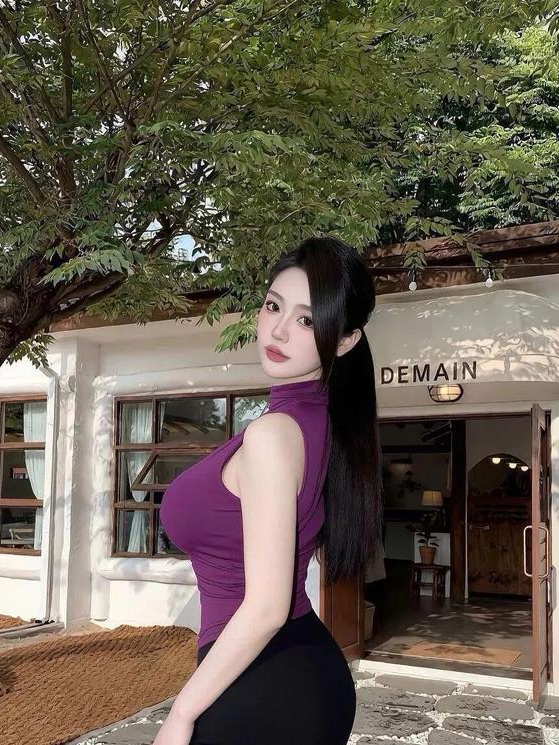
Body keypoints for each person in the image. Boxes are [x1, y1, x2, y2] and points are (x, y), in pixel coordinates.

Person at [155, 236, 384, 745]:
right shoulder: (321, 423)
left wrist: (181, 714)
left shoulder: (274, 435)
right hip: (294, 672)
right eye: (273, 306)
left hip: (264, 687)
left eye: (307, 320)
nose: (278, 330)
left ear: (345, 340)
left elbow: (265, 608)